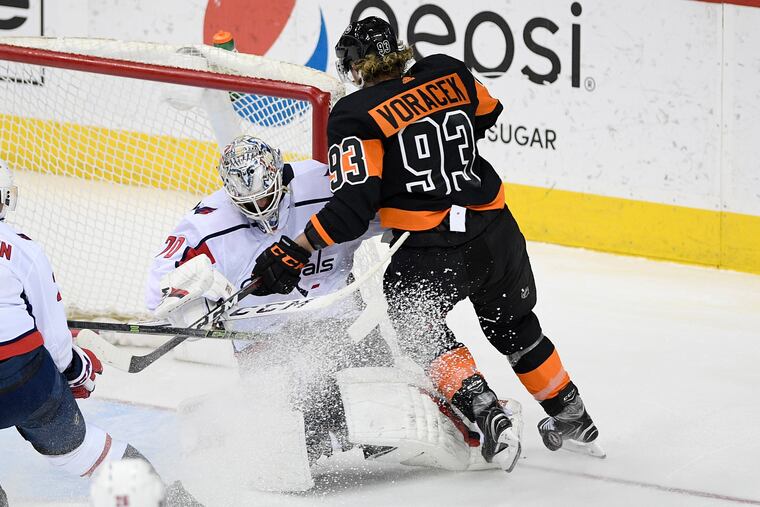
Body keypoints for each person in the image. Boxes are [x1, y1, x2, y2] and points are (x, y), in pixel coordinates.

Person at [250, 16, 603, 470]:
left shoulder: (355, 114)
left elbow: (352, 210)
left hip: (432, 250)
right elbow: (490, 112)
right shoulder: (446, 70)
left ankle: (486, 411)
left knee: (418, 326)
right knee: (514, 324)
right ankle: (572, 416)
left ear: (354, 68)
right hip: (498, 233)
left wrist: (294, 248)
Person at [0, 159, 199, 506]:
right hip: (23, 381)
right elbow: (56, 343)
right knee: (85, 452)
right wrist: (78, 371)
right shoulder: (21, 248)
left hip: (19, 368)